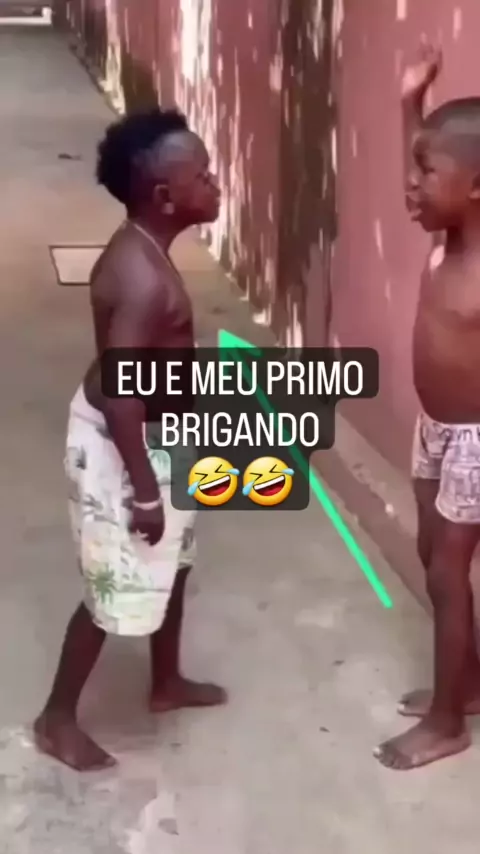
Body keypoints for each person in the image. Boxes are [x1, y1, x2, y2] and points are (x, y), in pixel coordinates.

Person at [34, 108, 226, 771]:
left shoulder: (148, 251)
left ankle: (166, 682)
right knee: (112, 581)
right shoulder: (141, 279)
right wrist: (144, 491)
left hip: (161, 437)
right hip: (125, 446)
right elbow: (121, 392)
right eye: (204, 175)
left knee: (175, 559)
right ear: (166, 197)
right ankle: (57, 718)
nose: (215, 182)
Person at [374, 43, 480, 770]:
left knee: (447, 571)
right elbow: (428, 161)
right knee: (429, 552)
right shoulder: (447, 235)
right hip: (435, 429)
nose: (410, 186)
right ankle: (467, 682)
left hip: (476, 441)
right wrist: (410, 102)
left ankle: (447, 722)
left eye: (427, 175)